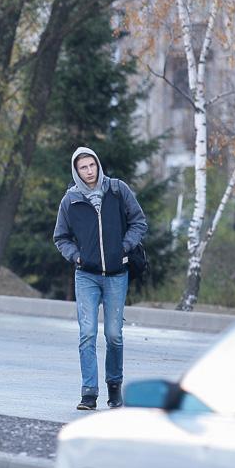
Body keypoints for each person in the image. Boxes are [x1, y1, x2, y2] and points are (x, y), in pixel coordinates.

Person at [53, 146, 148, 410]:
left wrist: (123, 247)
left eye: (92, 165)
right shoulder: (70, 201)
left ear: (98, 165)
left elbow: (139, 222)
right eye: (83, 167)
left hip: (117, 275)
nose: (89, 171)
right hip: (86, 276)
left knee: (114, 335)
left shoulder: (117, 190)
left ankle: (114, 388)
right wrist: (77, 257)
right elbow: (60, 237)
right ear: (76, 171)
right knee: (87, 334)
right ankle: (89, 393)